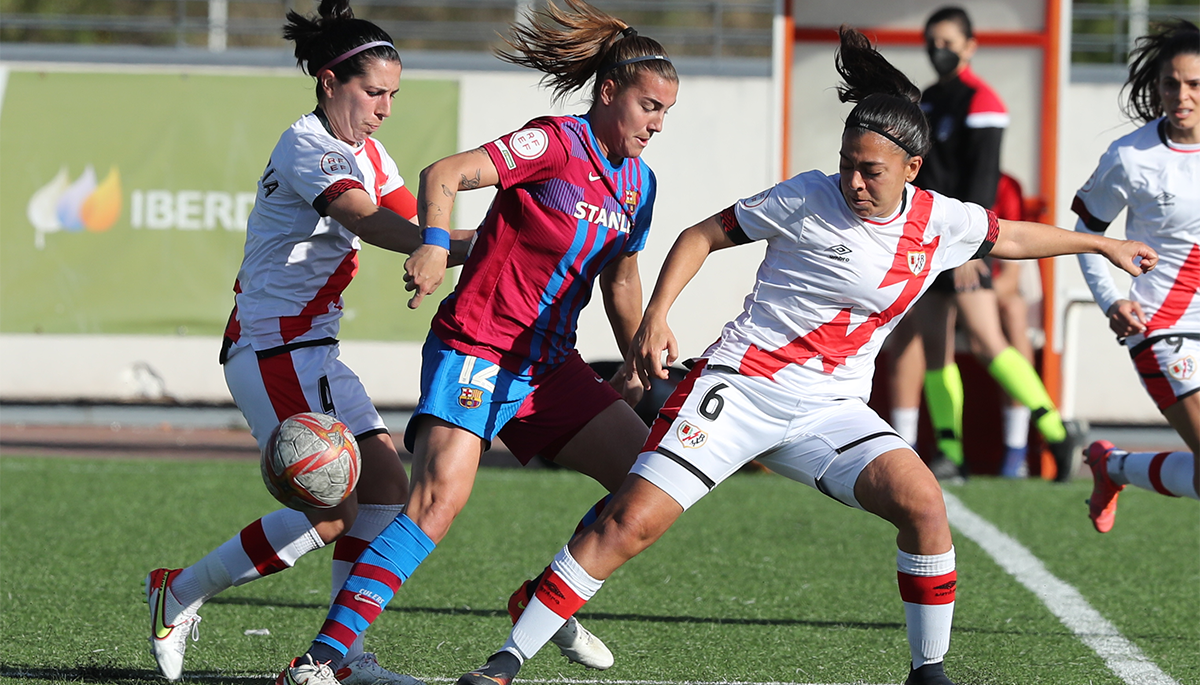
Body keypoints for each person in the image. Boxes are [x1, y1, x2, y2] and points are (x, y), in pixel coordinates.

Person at [453, 27, 1156, 685]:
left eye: (871, 171)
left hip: (831, 411)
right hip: (739, 388)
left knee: (924, 505)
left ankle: (927, 672)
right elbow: (701, 234)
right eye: (848, 163)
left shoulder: (941, 220)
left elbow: (1011, 236)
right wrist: (656, 316)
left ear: (911, 169)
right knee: (630, 523)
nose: (853, 180)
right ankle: (507, 659)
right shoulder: (805, 196)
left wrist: (1101, 244)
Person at [272, 2, 680, 683]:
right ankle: (319, 662)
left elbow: (623, 275)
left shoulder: (640, 184)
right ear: (609, 91)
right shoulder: (552, 143)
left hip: (547, 366)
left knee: (649, 484)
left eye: (667, 111)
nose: (658, 123)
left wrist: (638, 353)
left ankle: (540, 594)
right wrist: (434, 244)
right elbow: (444, 174)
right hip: (479, 348)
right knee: (435, 505)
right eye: (649, 106)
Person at [142, 3, 472, 682]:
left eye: (393, 96)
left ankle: (344, 657)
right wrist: (460, 243)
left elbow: (416, 224)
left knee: (384, 484)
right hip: (273, 348)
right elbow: (367, 218)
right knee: (332, 508)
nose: (384, 109)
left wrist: (488, 241)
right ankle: (176, 591)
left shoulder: (369, 151)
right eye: (372, 92)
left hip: (312, 349)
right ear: (329, 83)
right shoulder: (306, 145)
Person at [890, 6, 1081, 482]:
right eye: (933, 41)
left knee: (987, 340)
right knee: (936, 346)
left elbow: (983, 178)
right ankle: (951, 454)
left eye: (950, 42)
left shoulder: (983, 101)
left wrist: (969, 246)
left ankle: (1055, 430)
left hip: (966, 239)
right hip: (928, 239)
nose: (940, 50)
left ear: (970, 47)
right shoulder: (928, 100)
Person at [1076, 20, 1200, 533]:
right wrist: (1110, 301)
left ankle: (1114, 466)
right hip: (1161, 326)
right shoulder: (1131, 157)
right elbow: (1087, 231)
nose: (1181, 95)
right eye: (1172, 83)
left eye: (1195, 84)